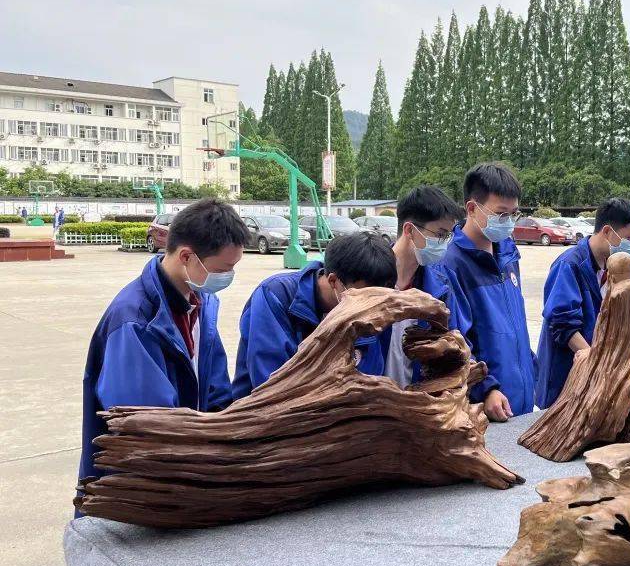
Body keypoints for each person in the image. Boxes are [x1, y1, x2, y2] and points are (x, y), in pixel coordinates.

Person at [79, 198, 246, 491]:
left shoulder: (201, 304)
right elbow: (144, 424)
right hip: (145, 483)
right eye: (223, 268)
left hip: (189, 466)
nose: (228, 276)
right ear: (186, 257)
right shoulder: (135, 320)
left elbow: (216, 390)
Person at [232, 232, 396, 400]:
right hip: (272, 417)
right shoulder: (276, 295)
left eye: (378, 298)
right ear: (333, 281)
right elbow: (269, 382)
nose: (371, 306)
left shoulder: (374, 310)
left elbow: (372, 374)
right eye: (364, 297)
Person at [441, 162, 535, 420]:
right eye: (501, 214)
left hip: (521, 398)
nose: (508, 223)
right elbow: (456, 341)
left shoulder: (508, 253)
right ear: (472, 208)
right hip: (486, 406)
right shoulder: (452, 264)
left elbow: (516, 326)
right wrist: (486, 387)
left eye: (513, 214)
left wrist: (531, 369)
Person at [534, 198, 630, 409]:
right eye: (629, 238)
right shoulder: (569, 264)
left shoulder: (614, 268)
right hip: (566, 375)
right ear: (607, 231)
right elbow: (562, 324)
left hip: (598, 377)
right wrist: (596, 364)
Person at [383, 185, 464, 387]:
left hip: (416, 406)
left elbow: (456, 344)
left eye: (448, 236)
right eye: (440, 234)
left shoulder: (440, 289)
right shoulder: (369, 280)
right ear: (409, 230)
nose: (445, 243)